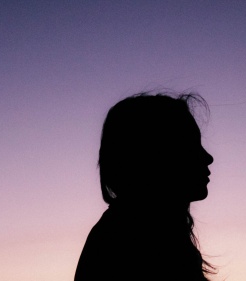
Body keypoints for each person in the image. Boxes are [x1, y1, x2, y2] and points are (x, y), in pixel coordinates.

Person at [74, 92, 216, 281]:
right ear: (154, 156)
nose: (208, 158)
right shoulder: (131, 240)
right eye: (190, 146)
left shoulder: (131, 231)